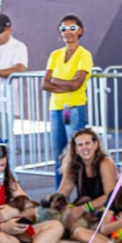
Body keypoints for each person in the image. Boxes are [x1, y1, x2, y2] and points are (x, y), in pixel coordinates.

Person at [44, 14, 94, 189]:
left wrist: (56, 80)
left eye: (72, 28)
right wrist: (66, 84)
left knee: (79, 152)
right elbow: (45, 84)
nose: (68, 32)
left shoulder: (84, 55)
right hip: (57, 108)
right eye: (63, 28)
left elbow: (77, 84)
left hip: (74, 107)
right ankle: (60, 195)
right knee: (59, 153)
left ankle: (83, 192)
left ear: (79, 31)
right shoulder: (55, 55)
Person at [56, 128, 118, 235]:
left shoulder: (105, 162)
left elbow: (110, 196)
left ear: (95, 145)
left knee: (80, 229)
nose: (84, 147)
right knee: (66, 223)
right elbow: (62, 194)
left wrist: (84, 208)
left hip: (105, 210)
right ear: (75, 149)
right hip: (84, 209)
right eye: (80, 145)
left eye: (87, 143)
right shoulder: (73, 165)